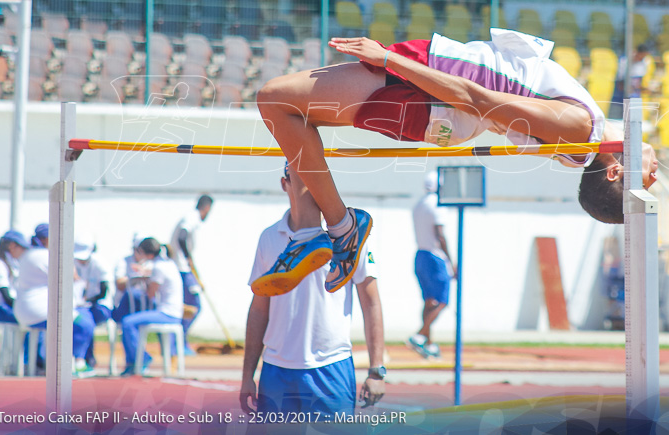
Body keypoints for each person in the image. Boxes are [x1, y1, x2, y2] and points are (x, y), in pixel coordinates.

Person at [253, 29, 659, 298]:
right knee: (288, 112)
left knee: (276, 100)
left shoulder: (577, 128)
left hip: (432, 95)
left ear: (614, 171)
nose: (655, 173)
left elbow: (475, 99)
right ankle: (320, 232)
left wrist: (388, 59)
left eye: (646, 181)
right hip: (433, 89)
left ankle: (338, 229)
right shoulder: (583, 143)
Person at [240, 164, 386, 417]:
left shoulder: (349, 237)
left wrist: (377, 369)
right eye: (300, 180)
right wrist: (246, 376)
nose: (308, 189)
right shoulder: (270, 237)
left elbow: (371, 303)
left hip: (330, 367)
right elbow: (259, 309)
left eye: (314, 180)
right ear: (285, 184)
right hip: (277, 368)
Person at [14, 224, 96, 376]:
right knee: (85, 323)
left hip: (26, 310)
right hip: (41, 311)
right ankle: (77, 362)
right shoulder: (46, 255)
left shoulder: (28, 254)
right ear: (46, 239)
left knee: (74, 321)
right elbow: (72, 277)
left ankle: (47, 363)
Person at [120, 238, 184, 376]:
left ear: (145, 253)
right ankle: (136, 361)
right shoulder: (168, 263)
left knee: (127, 322)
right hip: (172, 312)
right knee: (131, 322)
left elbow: (150, 294)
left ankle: (141, 359)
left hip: (168, 314)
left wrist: (141, 278)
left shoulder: (158, 267)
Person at [408, 172, 456, 359]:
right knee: (443, 301)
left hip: (420, 254)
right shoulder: (437, 204)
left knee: (429, 301)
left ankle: (427, 342)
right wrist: (451, 262)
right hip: (435, 257)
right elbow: (440, 235)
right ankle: (420, 334)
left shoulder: (419, 205)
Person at [169, 194, 213, 355]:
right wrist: (187, 257)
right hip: (182, 268)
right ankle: (178, 342)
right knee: (194, 305)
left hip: (183, 267)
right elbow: (182, 236)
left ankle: (179, 342)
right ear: (206, 208)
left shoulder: (189, 218)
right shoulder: (192, 218)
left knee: (186, 306)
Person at [74, 239, 111, 367]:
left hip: (100, 306)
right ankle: (85, 358)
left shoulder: (100, 263)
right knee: (82, 319)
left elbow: (103, 291)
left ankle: (82, 357)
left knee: (85, 321)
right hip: (81, 306)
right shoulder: (72, 262)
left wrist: (87, 301)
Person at [0, 230, 29, 323]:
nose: (24, 251)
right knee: (29, 319)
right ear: (12, 246)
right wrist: (22, 309)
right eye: (22, 247)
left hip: (5, 308)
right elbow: (5, 295)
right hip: (0, 310)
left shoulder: (13, 263)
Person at [112, 237, 152, 325]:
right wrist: (136, 278)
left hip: (146, 304)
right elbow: (119, 284)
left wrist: (145, 273)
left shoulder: (151, 263)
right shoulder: (123, 261)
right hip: (126, 306)